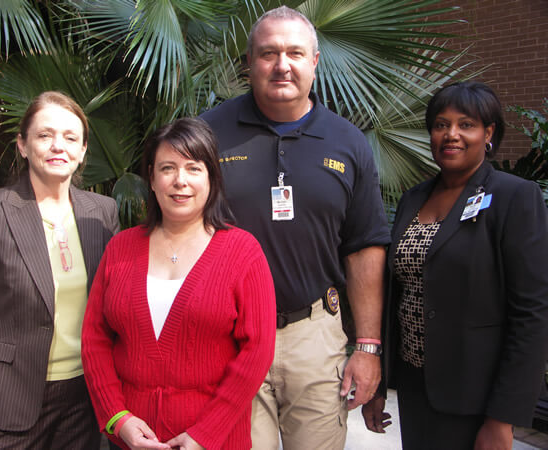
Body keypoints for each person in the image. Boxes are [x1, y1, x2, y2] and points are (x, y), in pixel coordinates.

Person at [201, 6, 390, 449]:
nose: (282, 65)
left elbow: (364, 248)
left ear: (315, 62)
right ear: (248, 62)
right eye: (268, 53)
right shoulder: (208, 133)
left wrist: (367, 347)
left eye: (294, 53)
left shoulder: (347, 141)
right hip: (230, 335)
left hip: (314, 332)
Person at [363, 81, 548, 449]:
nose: (452, 135)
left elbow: (533, 312)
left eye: (466, 124)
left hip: (476, 396)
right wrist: (380, 385)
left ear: (488, 133)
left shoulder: (513, 197)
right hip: (417, 388)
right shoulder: (413, 198)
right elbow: (396, 293)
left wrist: (503, 417)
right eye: (441, 124)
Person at [81, 117, 276, 450]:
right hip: (132, 441)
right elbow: (94, 338)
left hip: (215, 441)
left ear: (212, 178)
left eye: (193, 168)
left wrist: (206, 434)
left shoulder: (243, 252)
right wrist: (118, 419)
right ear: (152, 179)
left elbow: (257, 351)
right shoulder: (121, 248)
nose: (180, 181)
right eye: (167, 168)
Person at [0, 91, 119, 449]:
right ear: (23, 145)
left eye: (70, 138)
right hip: (12, 398)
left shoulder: (102, 212)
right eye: (45, 135)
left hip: (85, 396)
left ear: (82, 151)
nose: (58, 146)